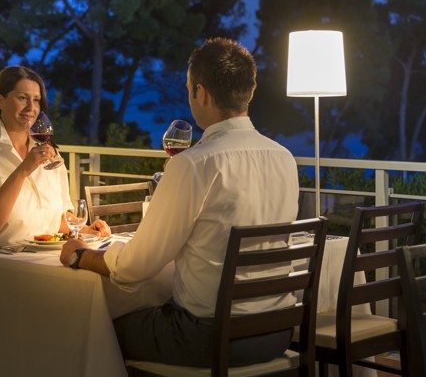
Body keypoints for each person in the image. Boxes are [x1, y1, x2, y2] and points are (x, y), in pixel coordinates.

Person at [59, 38, 300, 367]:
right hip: (277, 332)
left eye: (189, 90)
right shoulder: (284, 158)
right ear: (250, 92)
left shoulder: (195, 163)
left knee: (89, 330)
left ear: (200, 92)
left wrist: (81, 256)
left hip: (208, 338)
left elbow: (136, 267)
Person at [0, 65, 108, 250]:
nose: (31, 107)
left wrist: (86, 229)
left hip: (43, 255)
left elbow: (58, 219)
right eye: (22, 98)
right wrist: (23, 170)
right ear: (1, 101)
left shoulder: (51, 154)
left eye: (36, 100)